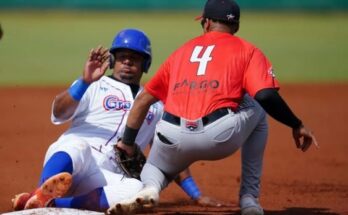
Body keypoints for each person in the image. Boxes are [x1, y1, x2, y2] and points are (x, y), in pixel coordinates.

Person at [108, 1, 319, 215]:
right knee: (258, 107)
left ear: (207, 23)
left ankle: (151, 189)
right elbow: (266, 95)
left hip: (170, 135)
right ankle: (249, 200)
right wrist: (296, 124)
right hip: (218, 137)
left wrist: (127, 142)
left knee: (155, 167)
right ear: (236, 27)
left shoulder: (181, 51)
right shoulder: (248, 50)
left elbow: (143, 100)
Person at [11, 28, 222, 212]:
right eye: (122, 57)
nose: (127, 62)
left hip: (102, 177)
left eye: (134, 58)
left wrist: (196, 194)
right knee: (77, 144)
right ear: (112, 61)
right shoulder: (94, 85)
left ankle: (50, 205)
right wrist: (84, 82)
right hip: (74, 162)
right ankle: (41, 192)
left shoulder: (154, 105)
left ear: (145, 64)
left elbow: (169, 151)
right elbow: (58, 113)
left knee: (137, 189)